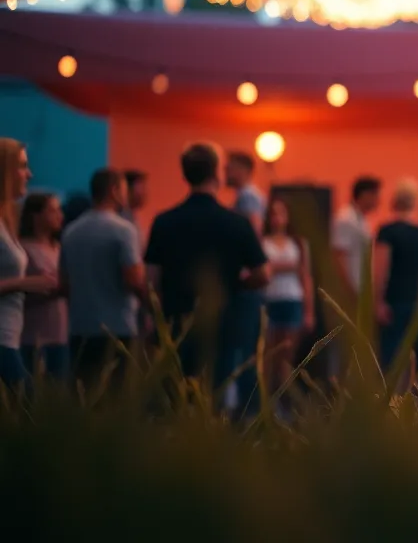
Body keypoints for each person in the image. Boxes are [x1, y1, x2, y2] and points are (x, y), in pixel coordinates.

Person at [143, 143, 269, 416]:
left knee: (175, 399)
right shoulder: (236, 223)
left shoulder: (164, 221)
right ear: (216, 174)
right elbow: (263, 274)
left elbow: (151, 281)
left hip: (175, 322)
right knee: (215, 397)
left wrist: (153, 318)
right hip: (223, 322)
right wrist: (237, 284)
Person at [61, 168, 146, 392]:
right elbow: (134, 279)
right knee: (115, 396)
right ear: (114, 190)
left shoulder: (71, 231)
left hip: (80, 328)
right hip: (117, 328)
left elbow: (64, 283)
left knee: (84, 396)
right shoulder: (123, 230)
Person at [0, 139, 59, 388]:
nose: (29, 174)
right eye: (23, 166)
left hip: (11, 339)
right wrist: (27, 283)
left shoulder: (6, 221)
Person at [373, 178, 418, 379]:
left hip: (394, 302)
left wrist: (378, 301)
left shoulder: (388, 232)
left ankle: (390, 405)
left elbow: (381, 269)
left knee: (390, 361)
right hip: (417, 303)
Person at [260, 196, 314, 397]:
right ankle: (264, 402)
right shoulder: (262, 241)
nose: (277, 218)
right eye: (273, 213)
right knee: (268, 356)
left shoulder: (298, 243)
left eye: (281, 213)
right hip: (270, 300)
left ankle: (283, 402)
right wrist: (286, 266)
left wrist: (309, 311)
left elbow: (305, 276)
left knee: (287, 358)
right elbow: (263, 269)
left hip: (292, 300)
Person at [19, 192, 68, 382]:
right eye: (53, 210)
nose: (60, 215)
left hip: (61, 335)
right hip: (33, 337)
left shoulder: (60, 248)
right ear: (35, 215)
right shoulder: (23, 249)